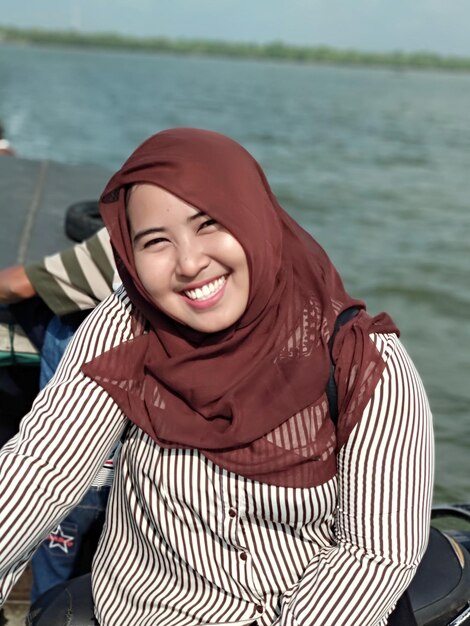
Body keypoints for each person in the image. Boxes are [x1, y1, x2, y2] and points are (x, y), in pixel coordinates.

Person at [0, 128, 433, 625]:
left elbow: (375, 555)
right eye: (156, 241)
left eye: (210, 224)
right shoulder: (130, 323)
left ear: (254, 217)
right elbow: (43, 466)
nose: (189, 263)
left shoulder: (362, 362)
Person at [0, 227, 117, 602]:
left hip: (71, 478)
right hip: (123, 483)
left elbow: (16, 286)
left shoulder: (113, 252)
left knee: (52, 588)